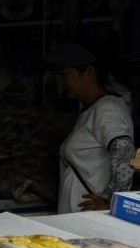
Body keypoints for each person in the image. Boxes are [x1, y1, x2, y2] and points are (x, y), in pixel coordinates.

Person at [43, 41, 135, 213]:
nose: (61, 82)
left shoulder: (107, 109)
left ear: (89, 72)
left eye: (65, 74)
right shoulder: (93, 109)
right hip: (81, 217)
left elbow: (125, 152)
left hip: (92, 217)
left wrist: (111, 201)